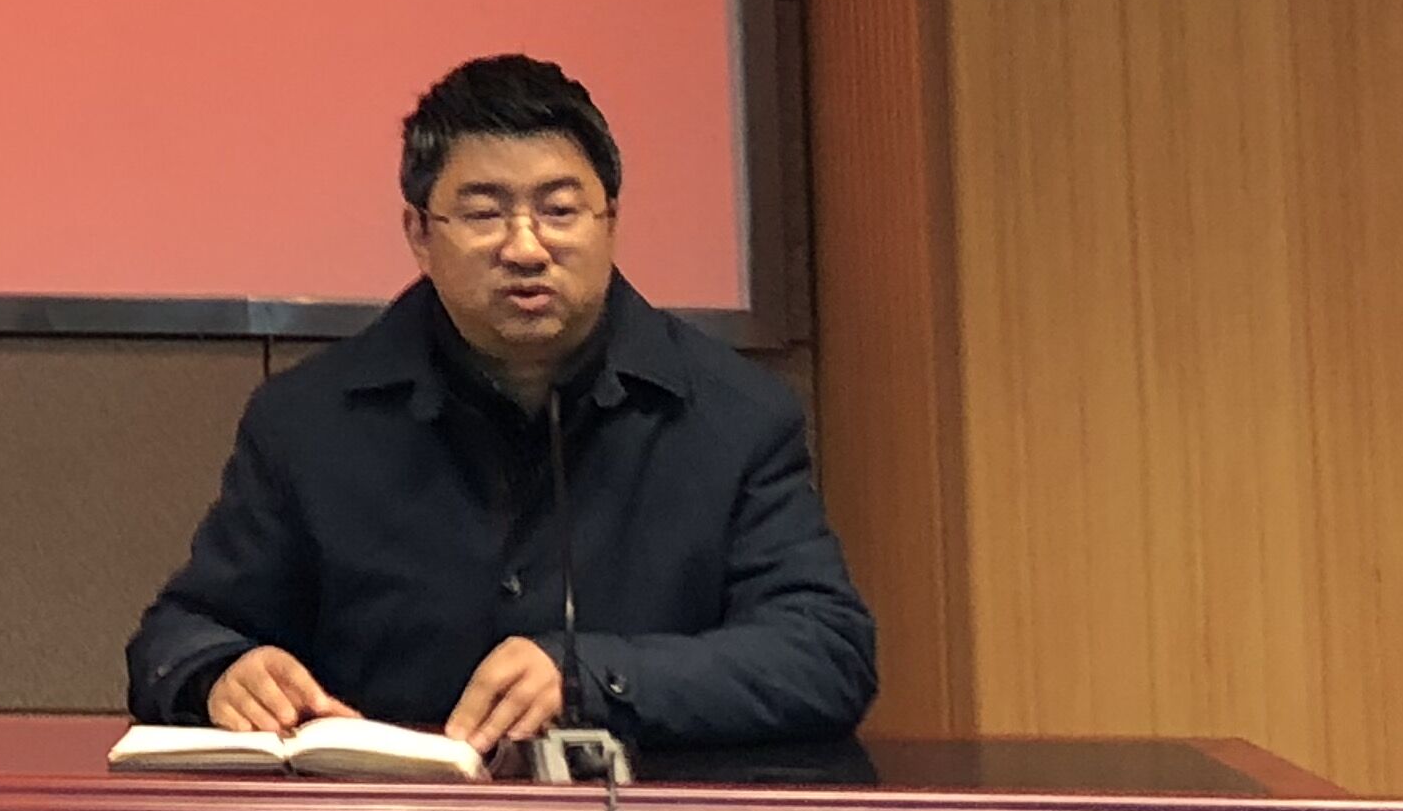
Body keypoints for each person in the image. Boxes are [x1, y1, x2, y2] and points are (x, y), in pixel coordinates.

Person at [127, 54, 873, 756]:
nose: (525, 248)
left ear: (610, 220)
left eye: (559, 211)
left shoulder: (733, 417)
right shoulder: (309, 422)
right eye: (484, 215)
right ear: (420, 233)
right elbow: (182, 632)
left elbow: (824, 653)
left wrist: (592, 680)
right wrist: (218, 671)